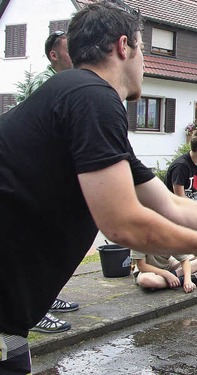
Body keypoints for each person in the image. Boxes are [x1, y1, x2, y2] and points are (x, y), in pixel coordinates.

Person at [0, 3, 197, 373]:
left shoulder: (79, 97)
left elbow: (170, 204)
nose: (145, 63)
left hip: (10, 317)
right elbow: (123, 223)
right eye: (144, 50)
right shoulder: (93, 97)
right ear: (124, 47)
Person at [30, 30, 79, 335]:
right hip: (37, 180)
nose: (76, 53)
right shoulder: (45, 84)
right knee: (39, 246)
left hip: (48, 179)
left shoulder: (64, 83)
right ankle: (35, 310)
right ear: (54, 55)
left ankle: (46, 298)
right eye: (69, 49)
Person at [131, 251, 197, 293]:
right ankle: (191, 278)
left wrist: (187, 280)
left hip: (169, 265)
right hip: (148, 271)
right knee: (145, 280)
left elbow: (184, 260)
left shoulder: (168, 235)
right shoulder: (138, 237)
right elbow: (142, 266)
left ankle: (184, 277)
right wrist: (166, 274)